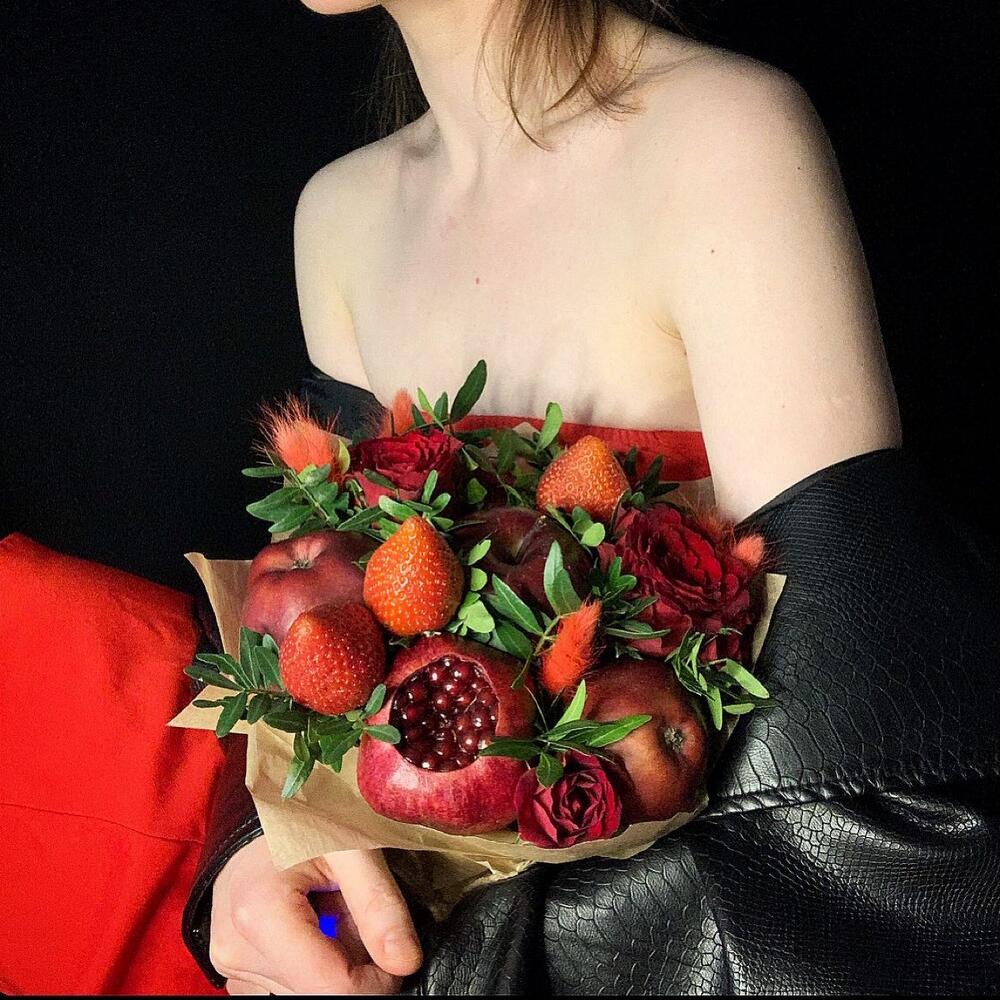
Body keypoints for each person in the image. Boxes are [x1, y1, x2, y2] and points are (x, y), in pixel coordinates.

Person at [199, 0, 908, 994]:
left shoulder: (724, 140)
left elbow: (852, 754)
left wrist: (462, 969)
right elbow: (328, 640)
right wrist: (262, 855)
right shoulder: (339, 215)